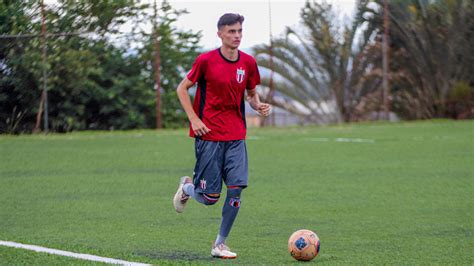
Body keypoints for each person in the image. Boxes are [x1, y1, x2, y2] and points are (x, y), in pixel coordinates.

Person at [173, 13, 271, 259]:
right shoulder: (206, 61)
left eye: (239, 31)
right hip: (209, 135)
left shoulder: (248, 62)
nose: (236, 36)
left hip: (237, 135)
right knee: (209, 198)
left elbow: (250, 93)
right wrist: (195, 120)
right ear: (220, 34)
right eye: (231, 31)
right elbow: (182, 88)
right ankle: (187, 187)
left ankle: (220, 244)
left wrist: (258, 105)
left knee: (236, 189)